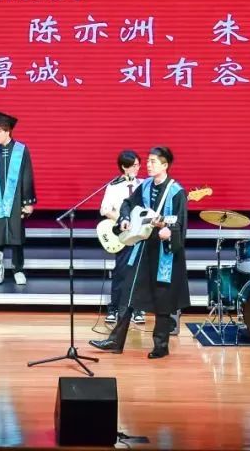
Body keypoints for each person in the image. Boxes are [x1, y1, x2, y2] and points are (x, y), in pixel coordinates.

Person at [90, 146, 189, 359]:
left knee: (163, 297)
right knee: (128, 291)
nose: (148, 165)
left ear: (165, 165)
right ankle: (116, 341)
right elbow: (127, 204)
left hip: (164, 252)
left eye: (153, 161)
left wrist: (169, 231)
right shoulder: (144, 186)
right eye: (148, 161)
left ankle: (161, 345)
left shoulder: (176, 191)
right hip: (143, 246)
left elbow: (180, 224)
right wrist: (125, 218)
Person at [0, 111, 36, 285]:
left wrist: (28, 202)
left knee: (16, 235)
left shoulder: (21, 150)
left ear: (8, 131)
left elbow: (27, 176)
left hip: (16, 199)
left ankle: (18, 269)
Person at [99, 150, 145, 325]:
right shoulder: (114, 186)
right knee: (121, 271)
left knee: (139, 271)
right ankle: (115, 307)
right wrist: (122, 219)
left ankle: (137, 308)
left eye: (138, 165)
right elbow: (105, 209)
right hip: (123, 232)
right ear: (124, 167)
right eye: (133, 166)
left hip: (140, 234)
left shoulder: (143, 184)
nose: (137, 168)